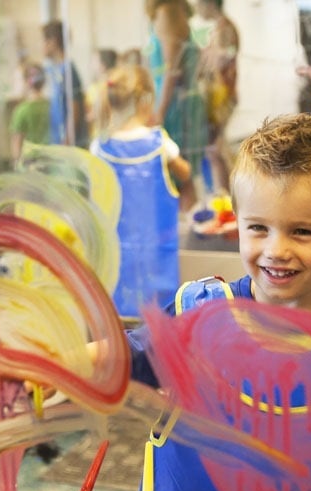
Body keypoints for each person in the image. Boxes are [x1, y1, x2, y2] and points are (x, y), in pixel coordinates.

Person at [126, 113, 311, 491]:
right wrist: (49, 362)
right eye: (258, 228)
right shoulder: (199, 315)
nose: (277, 250)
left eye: (302, 231)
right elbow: (124, 356)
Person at [90, 64, 194, 319]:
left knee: (120, 334)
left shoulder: (99, 148)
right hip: (157, 264)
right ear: (146, 100)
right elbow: (186, 173)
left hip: (116, 267)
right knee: (156, 335)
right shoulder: (160, 143)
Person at [144, 0, 208, 199]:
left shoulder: (167, 12)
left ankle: (184, 225)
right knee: (183, 174)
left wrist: (160, 111)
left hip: (175, 106)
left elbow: (172, 70)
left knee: (179, 174)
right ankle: (187, 223)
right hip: (180, 101)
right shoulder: (177, 12)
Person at [192, 0, 239, 193]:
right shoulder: (220, 28)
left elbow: (222, 60)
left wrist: (204, 58)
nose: (197, 9)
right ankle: (226, 193)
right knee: (215, 148)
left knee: (217, 148)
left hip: (221, 97)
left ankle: (230, 193)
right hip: (218, 96)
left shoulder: (224, 28)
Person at [42, 20, 88, 148]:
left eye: (44, 41)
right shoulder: (56, 70)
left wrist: (66, 143)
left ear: (53, 42)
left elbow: (74, 110)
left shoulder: (68, 71)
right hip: (58, 142)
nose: (41, 46)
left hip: (69, 145)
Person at [9, 61, 50, 160]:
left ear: (27, 82)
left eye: (17, 81)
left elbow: (17, 144)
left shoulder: (22, 111)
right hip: (50, 161)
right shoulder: (51, 106)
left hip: (30, 165)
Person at [84, 48, 118, 140]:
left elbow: (90, 115)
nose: (91, 64)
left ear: (102, 66)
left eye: (94, 61)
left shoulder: (94, 89)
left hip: (99, 135)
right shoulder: (118, 85)